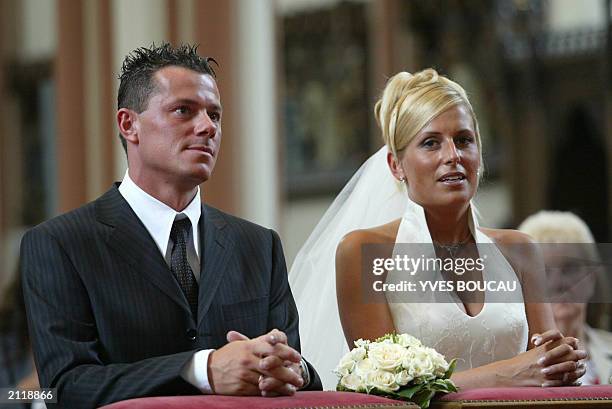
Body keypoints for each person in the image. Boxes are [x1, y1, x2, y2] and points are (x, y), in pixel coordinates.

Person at [20, 43, 321, 409]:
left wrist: (293, 370)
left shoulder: (260, 245)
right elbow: (64, 389)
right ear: (129, 125)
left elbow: (298, 371)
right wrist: (201, 368)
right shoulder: (60, 244)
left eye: (215, 115)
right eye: (184, 111)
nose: (207, 127)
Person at [290, 69, 586, 390]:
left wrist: (563, 359)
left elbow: (548, 370)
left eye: (463, 140)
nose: (453, 155)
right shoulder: (364, 251)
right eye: (431, 143)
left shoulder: (519, 250)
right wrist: (511, 373)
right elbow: (386, 389)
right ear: (396, 165)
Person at [519, 210, 612, 384]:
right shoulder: (511, 362)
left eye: (571, 268)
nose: (558, 282)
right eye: (544, 272)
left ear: (592, 278)